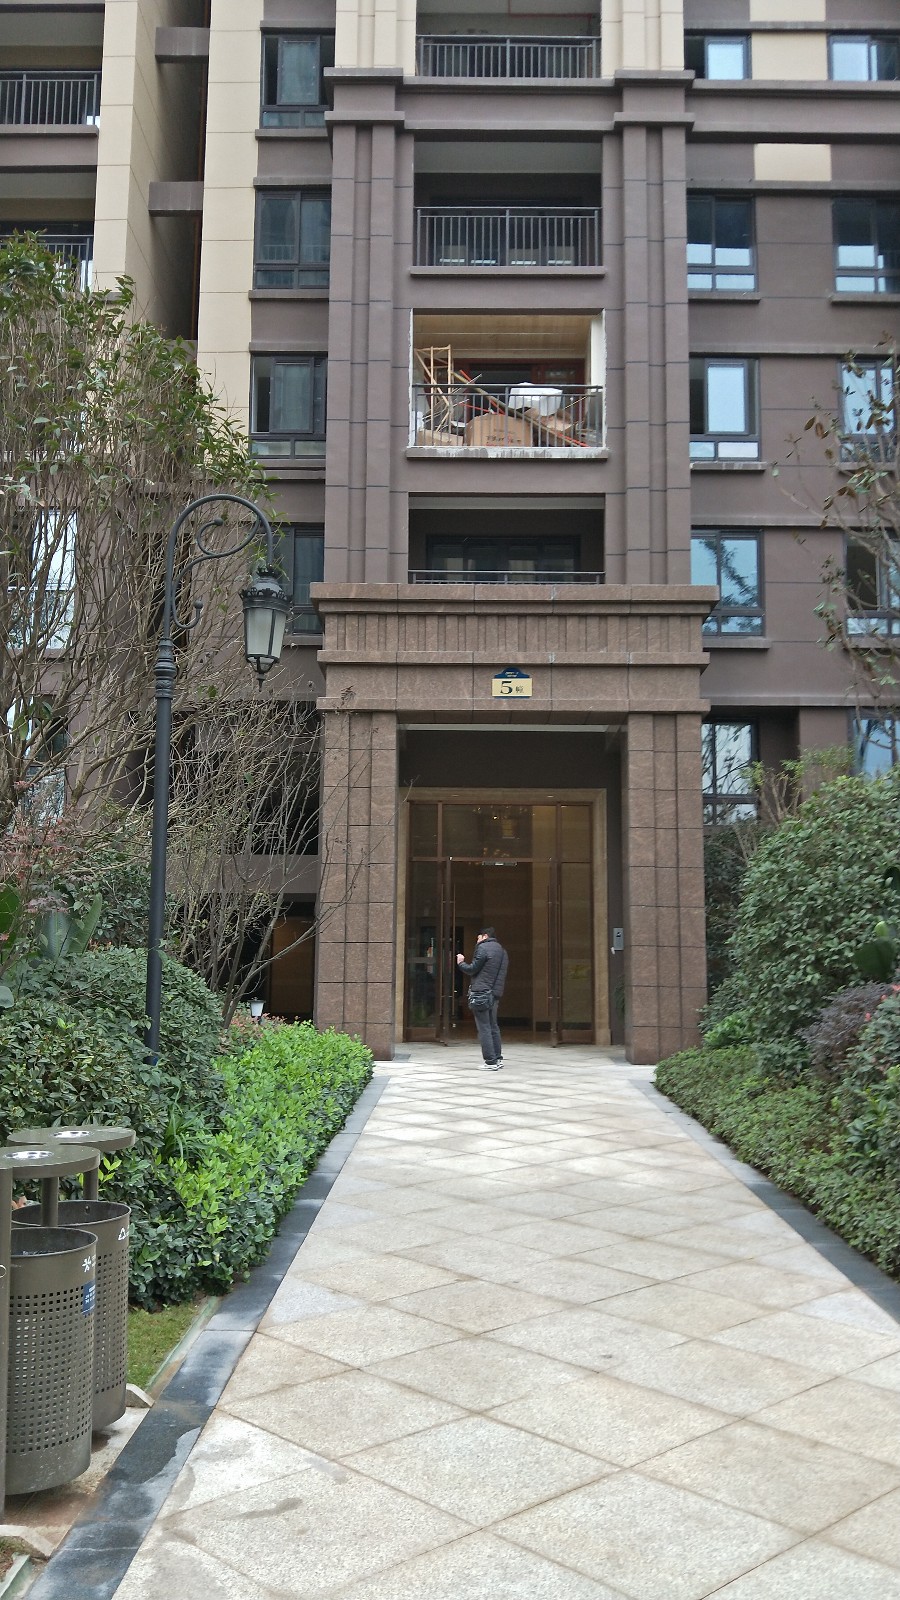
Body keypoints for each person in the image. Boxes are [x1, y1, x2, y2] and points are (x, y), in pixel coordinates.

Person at [457, 926, 509, 1071]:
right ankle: (497, 1058)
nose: (477, 941)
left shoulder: (483, 948)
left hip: (481, 993)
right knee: (493, 1027)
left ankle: (490, 1061)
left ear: (484, 936)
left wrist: (461, 962)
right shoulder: (502, 951)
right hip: (494, 993)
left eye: (478, 938)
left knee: (484, 1028)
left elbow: (472, 969)